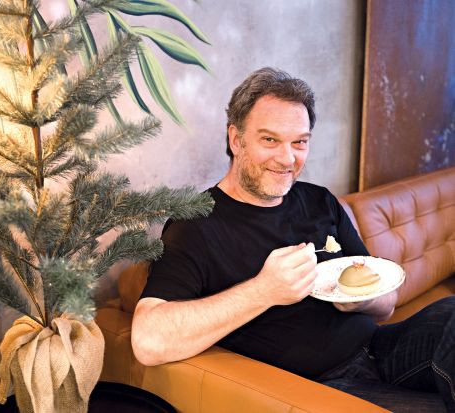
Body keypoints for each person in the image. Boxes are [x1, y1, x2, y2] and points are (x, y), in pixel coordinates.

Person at [131, 67, 455, 412]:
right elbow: (148, 340)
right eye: (270, 140)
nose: (287, 159)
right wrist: (264, 290)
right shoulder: (195, 225)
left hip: (380, 347)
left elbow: (387, 303)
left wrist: (357, 300)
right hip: (319, 386)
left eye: (299, 142)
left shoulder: (320, 201)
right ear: (236, 140)